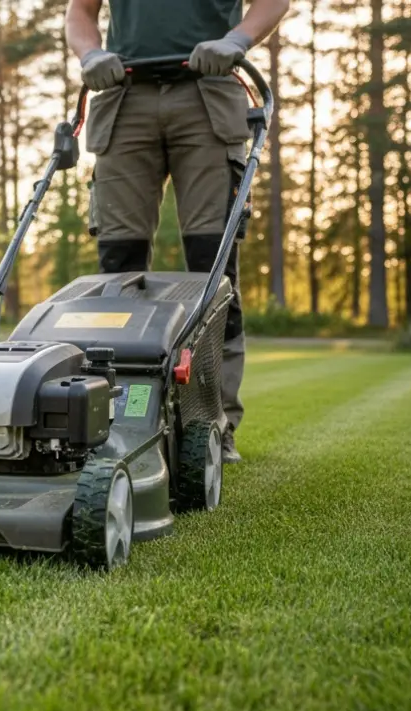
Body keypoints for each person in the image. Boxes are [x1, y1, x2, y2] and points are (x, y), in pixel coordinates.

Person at [65, 0, 289, 463]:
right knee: (116, 274)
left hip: (207, 93)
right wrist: (90, 55)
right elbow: (81, 11)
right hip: (124, 95)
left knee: (214, 274)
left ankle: (213, 423)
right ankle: (111, 418)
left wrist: (235, 41)